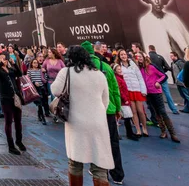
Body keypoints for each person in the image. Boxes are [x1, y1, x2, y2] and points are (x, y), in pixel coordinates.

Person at [52, 46, 114, 186]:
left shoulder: (67, 72)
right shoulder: (99, 74)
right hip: (98, 123)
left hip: (76, 122)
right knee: (99, 166)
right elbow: (105, 101)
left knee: (75, 162)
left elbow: (55, 90)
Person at [83, 41, 124, 185]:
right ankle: (118, 174)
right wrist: (118, 108)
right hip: (109, 110)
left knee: (95, 141)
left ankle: (99, 170)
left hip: (92, 111)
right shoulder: (106, 67)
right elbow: (115, 90)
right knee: (113, 141)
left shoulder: (81, 69)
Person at [138, 55, 180, 142]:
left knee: (163, 112)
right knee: (156, 112)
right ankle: (163, 131)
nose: (139, 58)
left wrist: (158, 82)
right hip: (148, 93)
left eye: (141, 57)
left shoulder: (152, 67)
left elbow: (164, 76)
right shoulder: (140, 69)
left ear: (144, 57)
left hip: (156, 92)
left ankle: (173, 133)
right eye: (138, 57)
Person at [0, 52, 24, 155]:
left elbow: (19, 74)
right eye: (1, 58)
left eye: (5, 58)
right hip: (5, 98)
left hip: (15, 97)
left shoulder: (10, 69)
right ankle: (11, 145)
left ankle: (19, 141)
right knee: (8, 121)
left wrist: (14, 63)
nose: (4, 60)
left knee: (18, 120)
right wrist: (1, 63)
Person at [117, 49, 148, 137]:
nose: (123, 56)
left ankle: (144, 128)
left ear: (127, 55)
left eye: (124, 54)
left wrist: (143, 90)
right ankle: (138, 130)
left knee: (140, 111)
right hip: (128, 91)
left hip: (137, 89)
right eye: (121, 55)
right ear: (119, 57)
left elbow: (140, 77)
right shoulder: (119, 66)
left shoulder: (133, 65)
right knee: (133, 111)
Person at [148, 45, 179, 114]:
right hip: (162, 77)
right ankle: (174, 109)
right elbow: (167, 67)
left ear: (149, 49)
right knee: (167, 93)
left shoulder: (148, 57)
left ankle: (160, 110)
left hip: (154, 79)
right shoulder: (160, 57)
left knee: (157, 94)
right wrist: (162, 71)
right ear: (155, 49)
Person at [112, 63, 139, 141]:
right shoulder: (118, 79)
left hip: (124, 100)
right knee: (126, 116)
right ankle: (128, 133)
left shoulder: (121, 78)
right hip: (123, 101)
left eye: (120, 69)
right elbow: (120, 90)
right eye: (118, 69)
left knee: (128, 116)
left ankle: (129, 133)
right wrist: (125, 99)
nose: (120, 71)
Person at [27, 58, 49, 125]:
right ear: (31, 64)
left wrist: (45, 72)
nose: (35, 64)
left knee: (43, 103)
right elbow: (28, 80)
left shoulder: (41, 70)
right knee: (39, 103)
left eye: (36, 62)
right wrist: (34, 82)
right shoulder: (29, 71)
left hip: (42, 88)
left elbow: (45, 78)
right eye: (34, 62)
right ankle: (43, 118)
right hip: (35, 89)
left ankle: (39, 115)